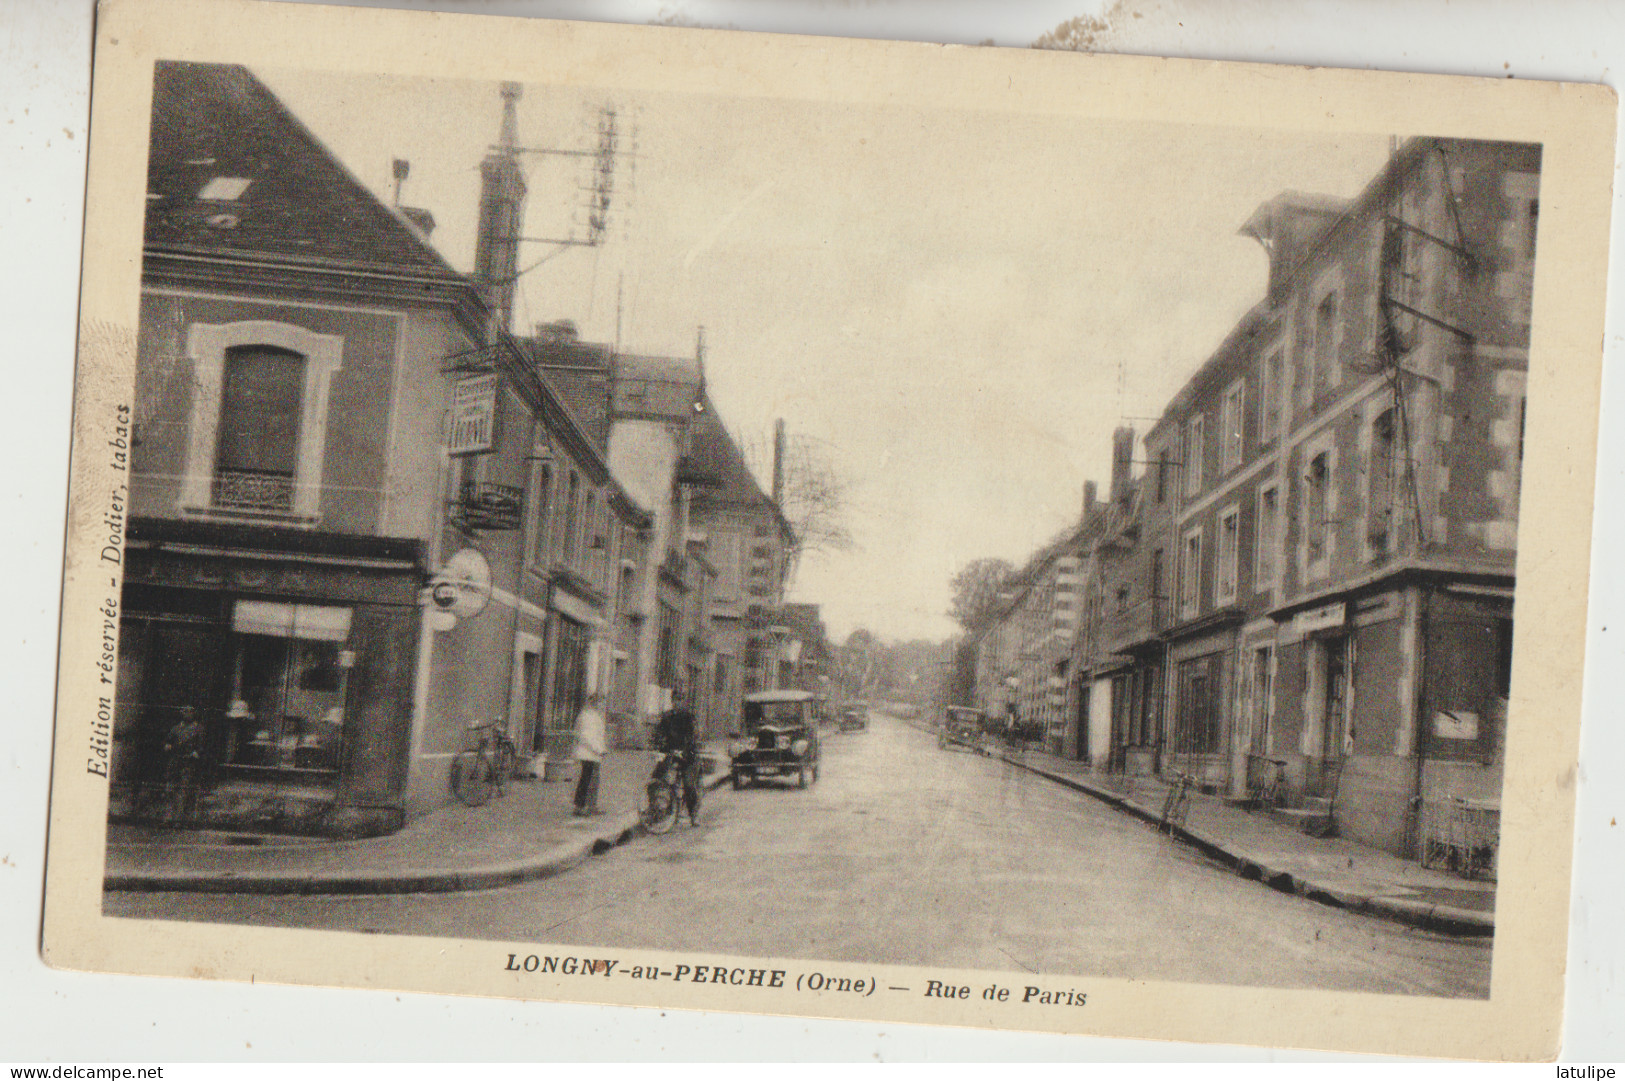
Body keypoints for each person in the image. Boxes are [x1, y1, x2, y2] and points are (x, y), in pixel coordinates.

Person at [651, 686, 701, 826]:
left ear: (684, 701)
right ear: (671, 701)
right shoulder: (666, 716)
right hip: (671, 753)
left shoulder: (689, 716)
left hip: (688, 755)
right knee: (655, 780)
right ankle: (654, 810)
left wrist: (685, 750)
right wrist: (656, 747)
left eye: (680, 700)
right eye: (675, 700)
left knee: (689, 785)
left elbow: (693, 736)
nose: (677, 703)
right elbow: (658, 734)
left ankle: (693, 815)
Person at [571, 691, 607, 817]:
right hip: (588, 753)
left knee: (592, 779)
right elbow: (586, 736)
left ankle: (590, 805)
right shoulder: (587, 716)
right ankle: (581, 806)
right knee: (586, 780)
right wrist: (598, 749)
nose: (602, 705)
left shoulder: (594, 715)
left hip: (593, 753)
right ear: (594, 703)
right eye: (600, 702)